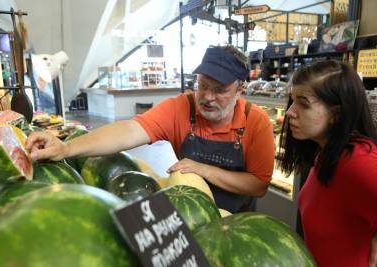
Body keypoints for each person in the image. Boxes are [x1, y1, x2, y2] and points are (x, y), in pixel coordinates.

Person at [26, 45, 275, 213]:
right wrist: (66, 148)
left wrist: (203, 169)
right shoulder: (181, 108)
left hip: (234, 215)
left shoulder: (257, 122)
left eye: (220, 90)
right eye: (203, 85)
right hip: (187, 213)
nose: (208, 97)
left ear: (240, 89)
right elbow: (129, 131)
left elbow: (258, 186)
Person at [278, 60, 377, 267]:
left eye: (303, 103)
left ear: (336, 114)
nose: (290, 112)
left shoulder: (357, 161)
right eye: (292, 100)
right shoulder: (326, 152)